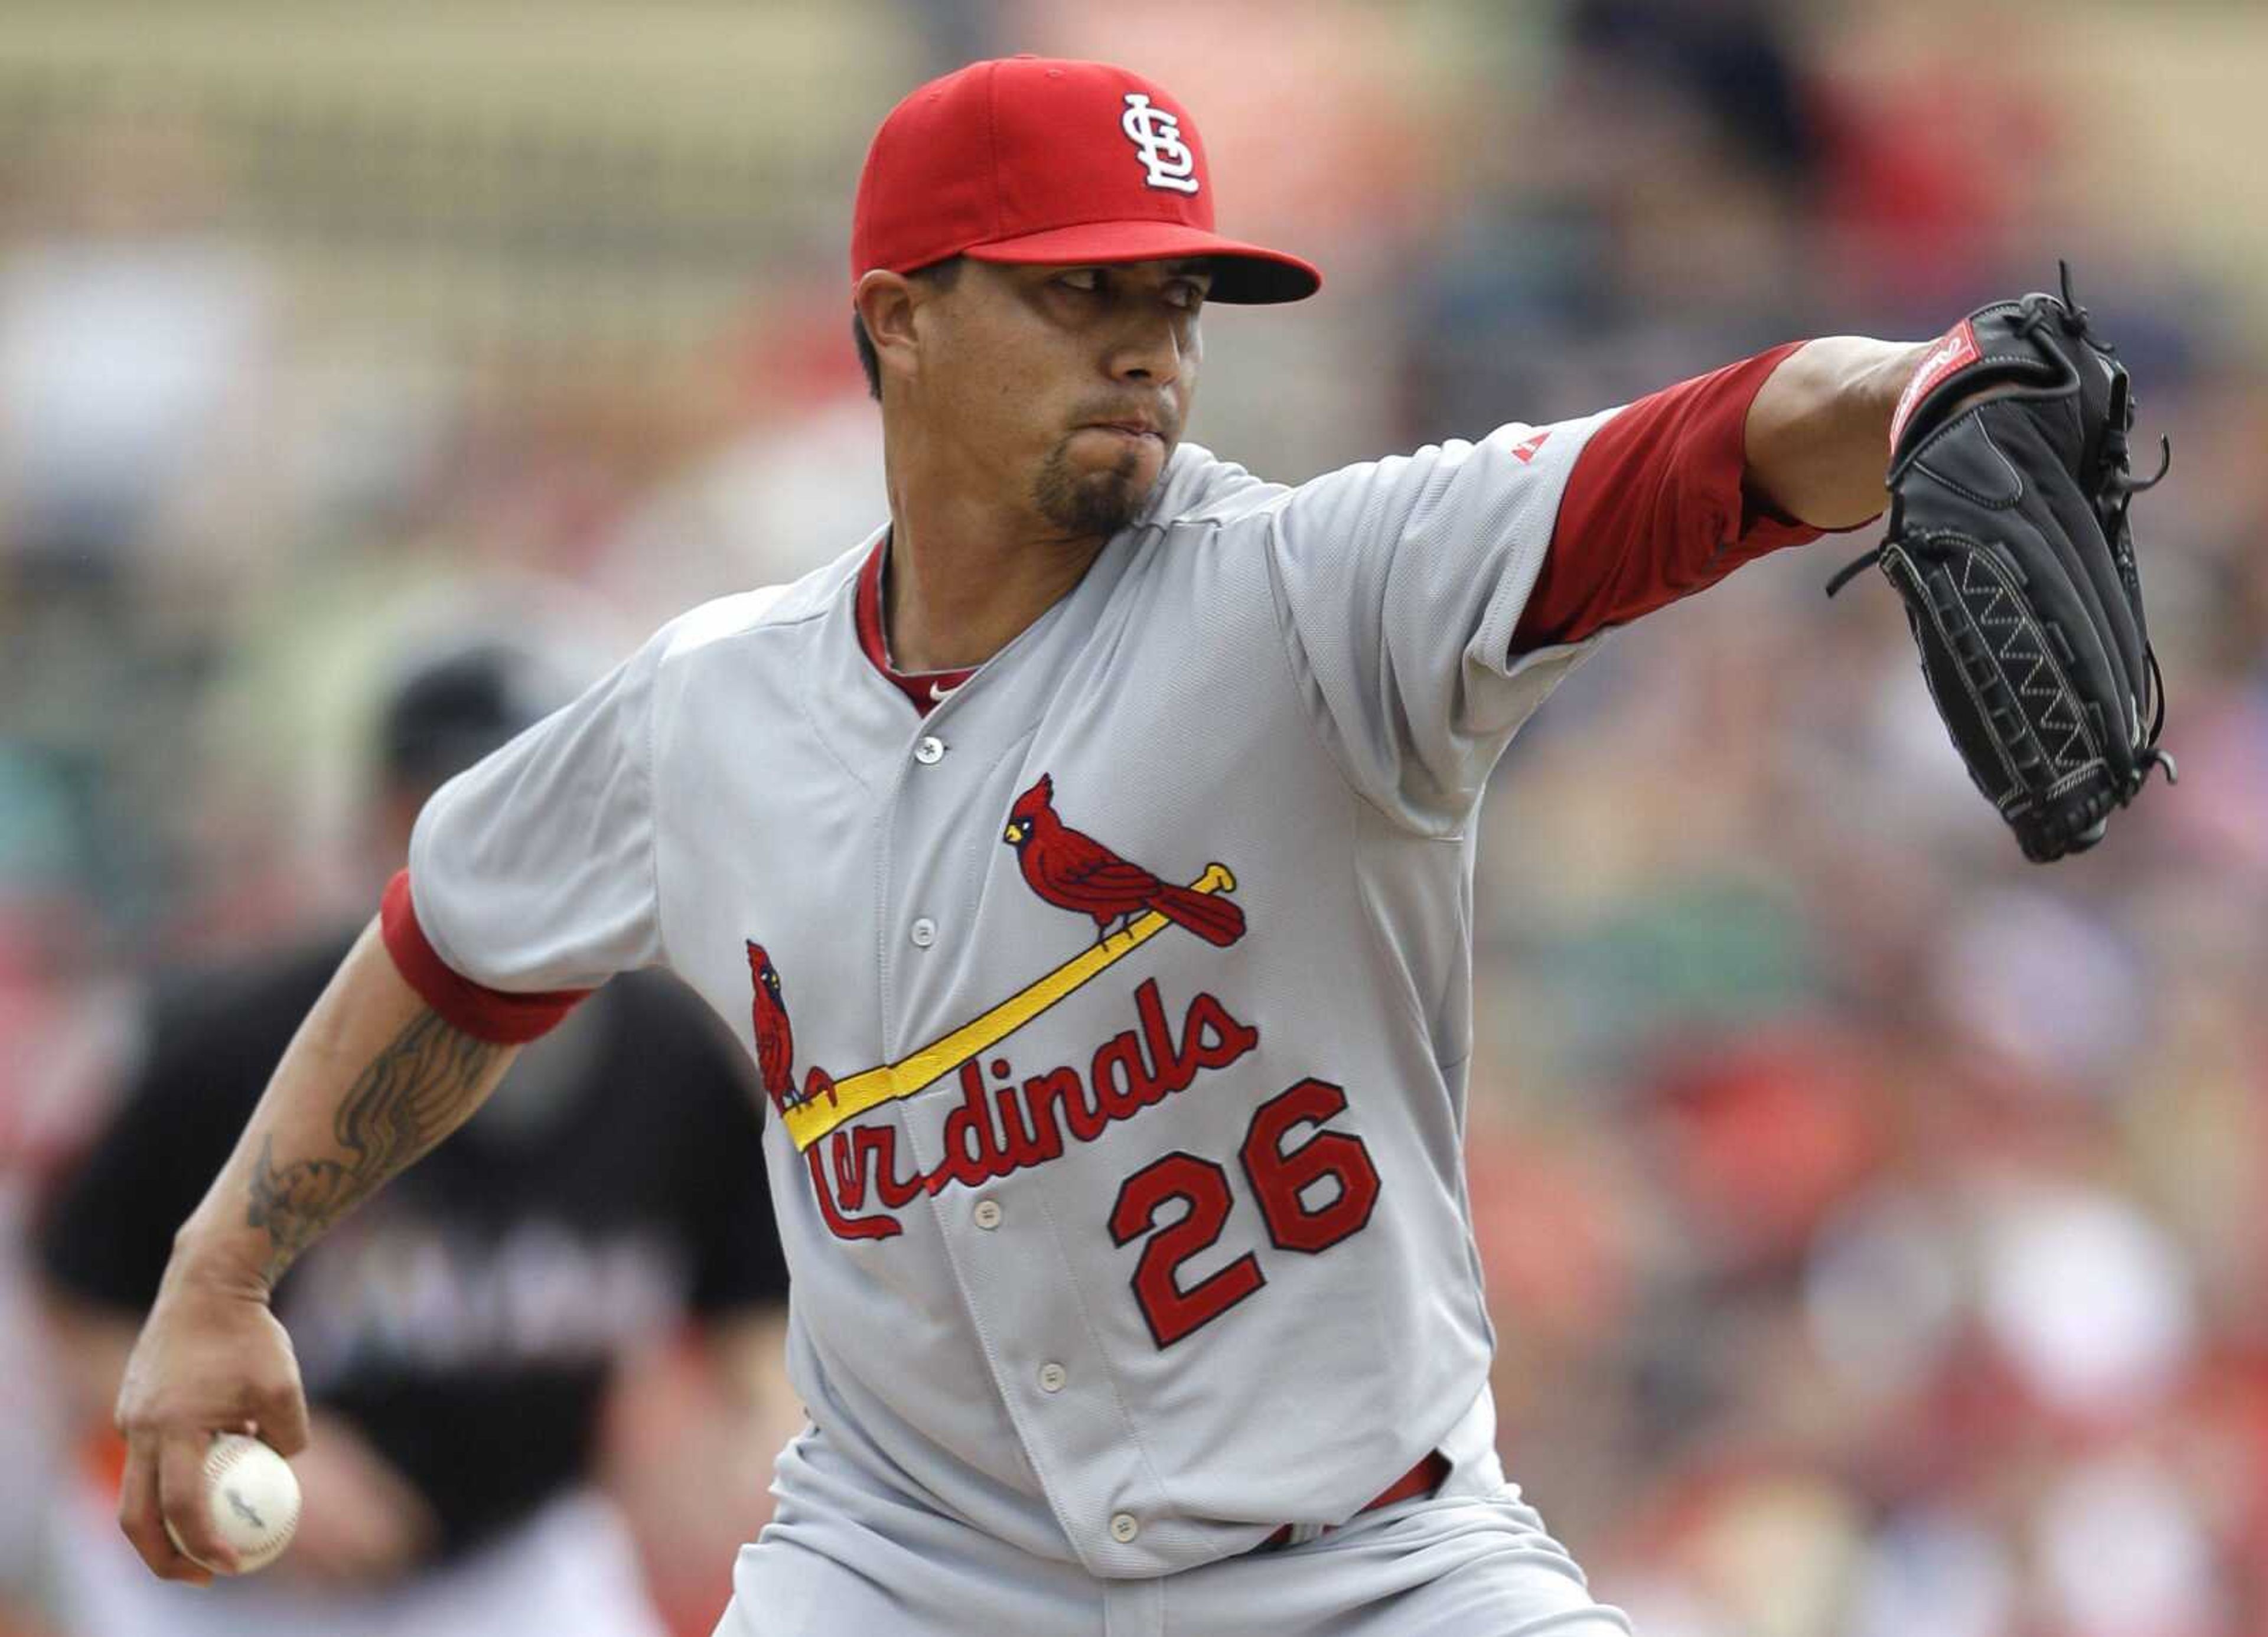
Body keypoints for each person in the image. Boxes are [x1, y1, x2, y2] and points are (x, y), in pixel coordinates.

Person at [106, 56, 1959, 1635]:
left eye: (1174, 299)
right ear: (898, 317)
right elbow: (457, 943)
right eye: (1083, 294)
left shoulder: (1315, 595)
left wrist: (1923, 392)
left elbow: (1695, 458)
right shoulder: (714, 710)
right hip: (909, 1569)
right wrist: (217, 1275)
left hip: (1362, 1562)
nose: (1148, 344)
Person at [37, 630, 792, 1637]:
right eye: (471, 802)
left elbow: (753, 1306)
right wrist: (237, 1460)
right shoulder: (239, 1044)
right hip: (235, 1592)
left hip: (514, 1563)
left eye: (552, 800)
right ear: (387, 819)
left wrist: (758, 1451)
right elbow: (77, 1301)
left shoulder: (670, 1059)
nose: (519, 845)